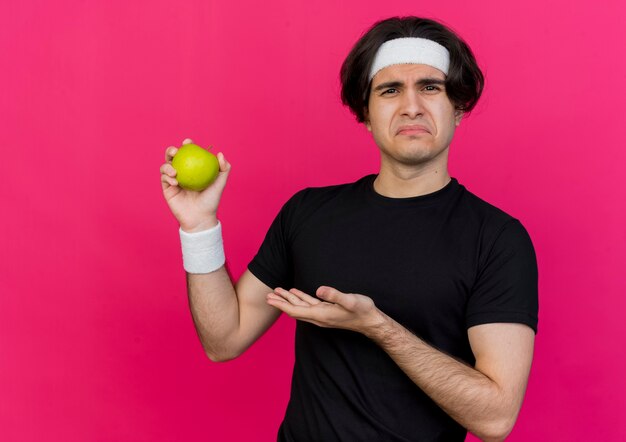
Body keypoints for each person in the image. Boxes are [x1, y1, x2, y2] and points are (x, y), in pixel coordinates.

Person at [160, 16, 538, 442]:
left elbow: (495, 418)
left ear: (459, 107)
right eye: (390, 90)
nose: (411, 106)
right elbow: (223, 340)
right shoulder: (308, 214)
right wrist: (199, 227)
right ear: (365, 114)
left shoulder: (498, 239)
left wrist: (377, 327)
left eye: (430, 87)